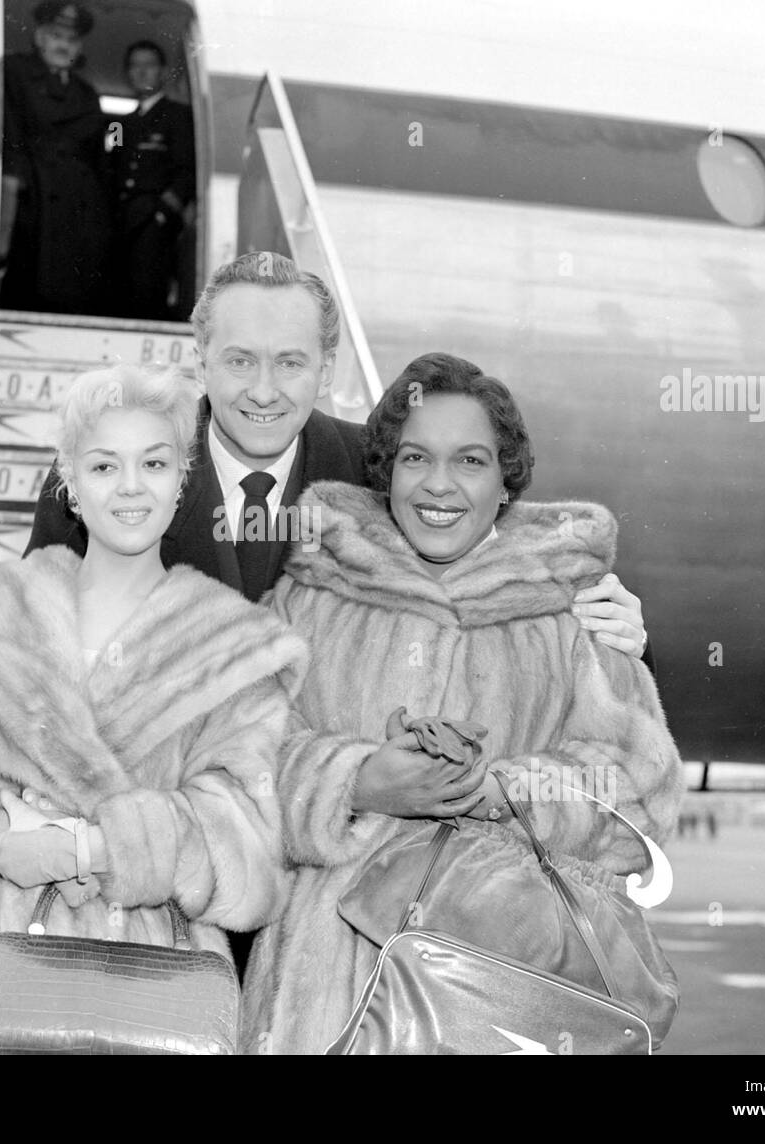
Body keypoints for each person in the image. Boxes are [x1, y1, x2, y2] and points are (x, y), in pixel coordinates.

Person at [0, 251, 653, 969]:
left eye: (290, 363)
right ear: (199, 357)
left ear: (328, 365)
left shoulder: (382, 469)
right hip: (169, 890)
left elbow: (505, 560)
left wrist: (619, 632)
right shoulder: (120, 480)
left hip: (329, 906)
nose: (262, 390)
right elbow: (30, 649)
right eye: (239, 360)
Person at [0, 365, 308, 1053]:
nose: (129, 487)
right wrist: (3, 821)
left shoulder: (235, 647)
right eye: (103, 465)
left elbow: (247, 847)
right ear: (69, 481)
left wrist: (85, 847)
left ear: (182, 481)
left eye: (153, 463)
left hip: (138, 1001)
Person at [242, 353, 685, 1053]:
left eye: (471, 461)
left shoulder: (571, 608)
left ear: (506, 482)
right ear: (385, 470)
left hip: (499, 1005)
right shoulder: (312, 595)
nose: (439, 485)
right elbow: (237, 764)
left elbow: (639, 794)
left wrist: (498, 790)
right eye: (416, 458)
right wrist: (353, 780)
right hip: (318, 1004)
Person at [0, 1, 111, 314]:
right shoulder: (15, 71)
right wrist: (16, 186)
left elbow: (97, 154)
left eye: (71, 40)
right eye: (56, 36)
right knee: (27, 279)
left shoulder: (86, 92)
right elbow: (10, 132)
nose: (63, 45)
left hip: (79, 199)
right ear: (38, 38)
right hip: (32, 190)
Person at [106, 39, 196, 320]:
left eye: (149, 65)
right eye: (135, 66)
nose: (142, 72)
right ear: (127, 73)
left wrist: (163, 214)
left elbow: (187, 170)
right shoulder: (119, 124)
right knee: (118, 293)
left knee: (148, 294)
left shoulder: (180, 116)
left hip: (154, 220)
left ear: (163, 71)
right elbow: (112, 165)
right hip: (122, 218)